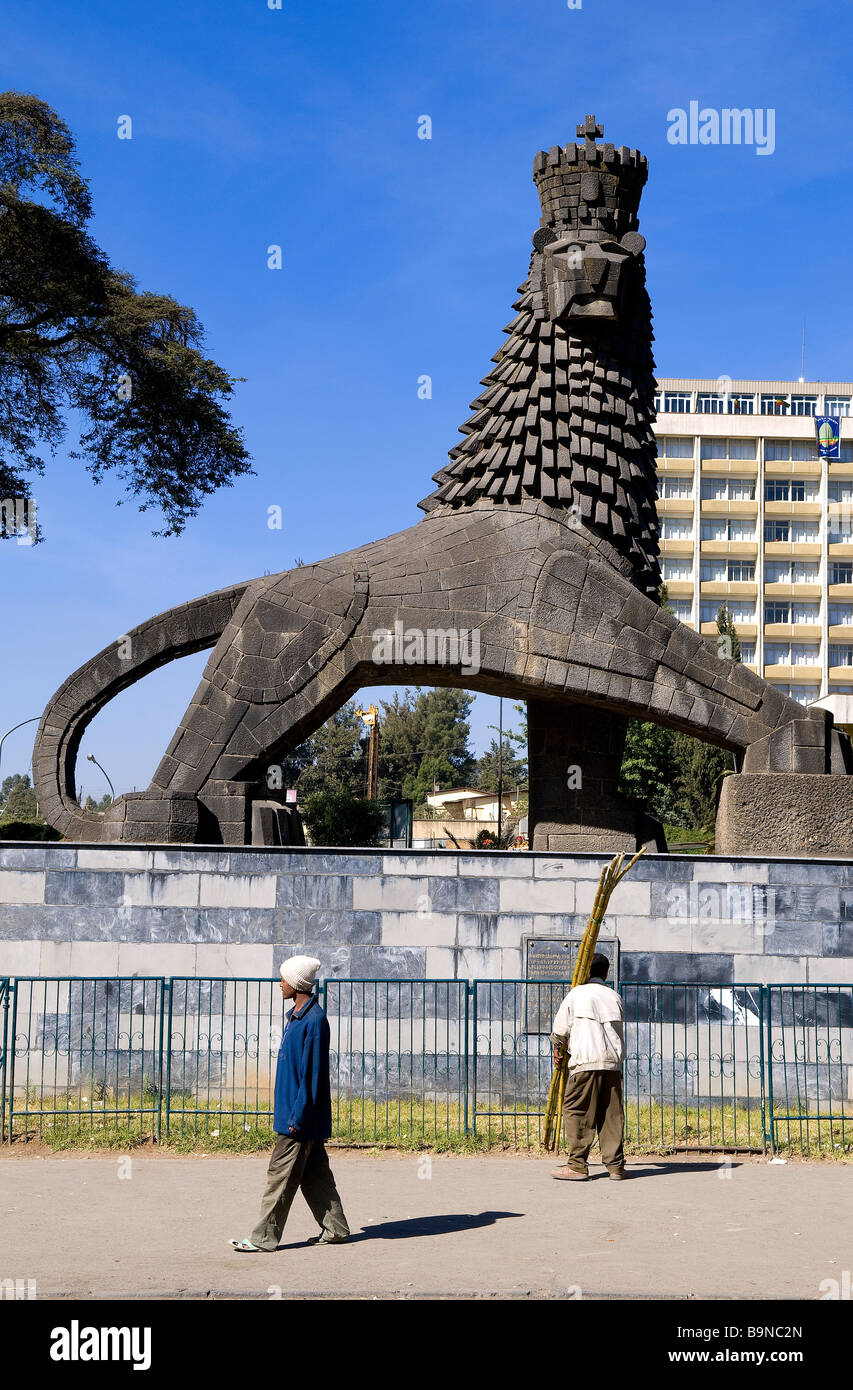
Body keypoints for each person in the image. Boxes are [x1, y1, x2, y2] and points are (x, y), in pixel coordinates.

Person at [229, 955, 350, 1251]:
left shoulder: (314, 1021)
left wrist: (298, 1117)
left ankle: (262, 1239)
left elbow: (312, 1075)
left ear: (296, 984)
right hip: (296, 1115)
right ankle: (335, 1229)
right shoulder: (297, 1017)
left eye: (284, 979)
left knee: (279, 1177)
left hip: (299, 1118)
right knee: (314, 1175)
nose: (280, 983)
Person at [549, 952, 626, 1182]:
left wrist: (558, 1049)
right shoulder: (614, 996)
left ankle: (577, 1165)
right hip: (612, 1064)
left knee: (577, 1110)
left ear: (585, 970)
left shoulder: (576, 994)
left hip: (585, 1061)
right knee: (610, 1115)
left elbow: (560, 1030)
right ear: (605, 973)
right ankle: (616, 1167)